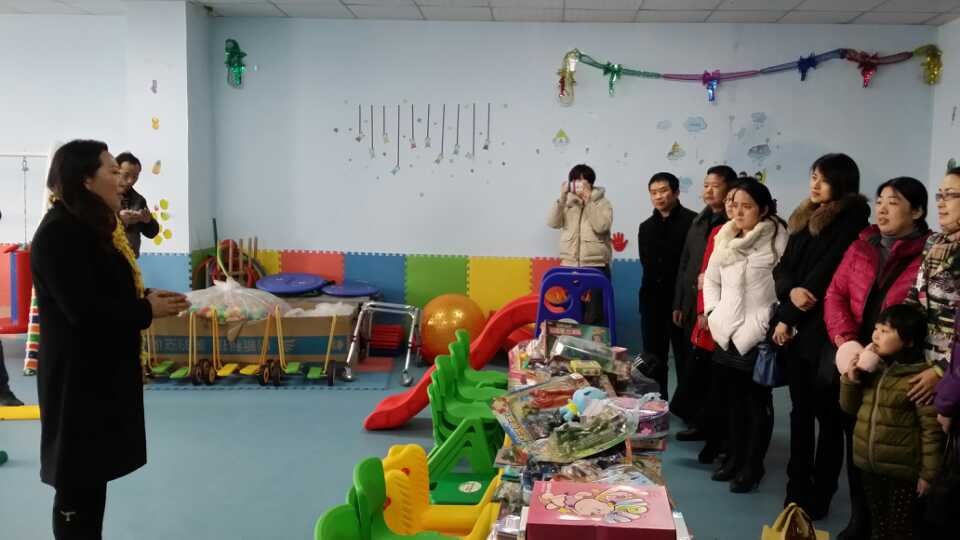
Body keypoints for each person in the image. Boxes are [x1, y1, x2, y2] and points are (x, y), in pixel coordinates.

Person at [32, 140, 189, 539]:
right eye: (112, 170)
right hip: (75, 379)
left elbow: (104, 289)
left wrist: (145, 297)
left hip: (99, 372)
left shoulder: (94, 227)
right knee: (76, 480)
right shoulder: (59, 233)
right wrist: (145, 310)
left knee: (92, 475)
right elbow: (84, 310)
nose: (121, 179)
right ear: (86, 180)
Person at [824, 177, 930, 540]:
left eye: (894, 202)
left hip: (900, 367)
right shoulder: (861, 246)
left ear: (917, 211)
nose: (882, 209)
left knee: (894, 446)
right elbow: (835, 294)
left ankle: (889, 526)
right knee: (857, 440)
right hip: (856, 358)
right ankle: (860, 518)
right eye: (880, 201)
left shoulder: (930, 254)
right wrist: (846, 342)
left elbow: (927, 315)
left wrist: (890, 348)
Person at [772, 153, 870, 517]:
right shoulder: (803, 218)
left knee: (828, 419)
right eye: (813, 176)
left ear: (842, 183)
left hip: (828, 333)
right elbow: (783, 269)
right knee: (800, 413)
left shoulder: (852, 222)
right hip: (798, 328)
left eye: (823, 178)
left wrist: (790, 313)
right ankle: (795, 486)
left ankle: (822, 493)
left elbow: (825, 275)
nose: (815, 184)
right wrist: (789, 296)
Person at [703, 178, 787, 493]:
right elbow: (711, 280)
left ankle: (753, 465)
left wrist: (773, 319)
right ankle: (734, 458)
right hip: (725, 331)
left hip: (758, 332)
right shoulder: (724, 237)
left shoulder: (778, 239)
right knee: (732, 402)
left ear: (763, 209)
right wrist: (712, 312)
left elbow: (786, 283)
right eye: (735, 205)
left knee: (756, 403)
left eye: (747, 206)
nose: (738, 212)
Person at [839, 304, 944, 540]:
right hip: (869, 466)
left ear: (909, 341)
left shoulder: (918, 379)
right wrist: (850, 379)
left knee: (900, 530)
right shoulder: (873, 369)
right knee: (878, 526)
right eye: (876, 328)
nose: (876, 335)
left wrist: (928, 475)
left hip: (902, 474)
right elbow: (849, 408)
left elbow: (931, 432)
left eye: (885, 331)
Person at [671, 165, 738, 438]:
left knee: (712, 371)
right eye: (706, 185)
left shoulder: (732, 224)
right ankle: (696, 420)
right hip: (692, 304)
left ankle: (711, 426)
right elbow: (685, 263)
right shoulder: (699, 221)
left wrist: (708, 310)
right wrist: (679, 303)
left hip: (716, 309)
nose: (708, 191)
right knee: (692, 365)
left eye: (715, 186)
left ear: (730, 189)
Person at [693, 183, 742, 465]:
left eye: (741, 204)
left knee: (738, 394)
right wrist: (706, 310)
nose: (734, 209)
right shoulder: (717, 232)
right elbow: (706, 276)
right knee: (713, 383)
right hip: (715, 318)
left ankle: (731, 447)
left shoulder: (766, 236)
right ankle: (713, 440)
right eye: (731, 203)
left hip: (744, 323)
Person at [637, 172, 696, 399]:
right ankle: (656, 402)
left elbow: (691, 265)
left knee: (685, 357)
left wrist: (682, 302)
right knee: (653, 358)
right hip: (652, 302)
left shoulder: (693, 222)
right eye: (653, 193)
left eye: (663, 191)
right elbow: (646, 264)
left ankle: (687, 406)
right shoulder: (646, 227)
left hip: (682, 303)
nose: (658, 197)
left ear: (676, 192)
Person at [904, 168, 960, 402]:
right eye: (939, 195)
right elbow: (915, 297)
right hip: (922, 361)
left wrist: (941, 370)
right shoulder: (934, 242)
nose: (941, 202)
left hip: (952, 372)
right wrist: (888, 334)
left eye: (950, 195)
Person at [547, 164, 614, 325]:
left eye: (583, 182)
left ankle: (593, 341)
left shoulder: (602, 203)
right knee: (571, 312)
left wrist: (588, 200)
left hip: (595, 265)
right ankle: (571, 341)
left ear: (591, 184)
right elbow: (552, 223)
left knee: (594, 315)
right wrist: (562, 198)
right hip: (569, 266)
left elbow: (602, 226)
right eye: (576, 181)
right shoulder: (567, 203)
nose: (579, 185)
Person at [116, 152, 159, 258]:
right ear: (115, 171)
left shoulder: (139, 200)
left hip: (131, 258)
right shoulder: (103, 194)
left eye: (135, 177)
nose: (130, 181)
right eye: (126, 175)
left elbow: (152, 233)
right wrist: (119, 219)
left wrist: (148, 221)